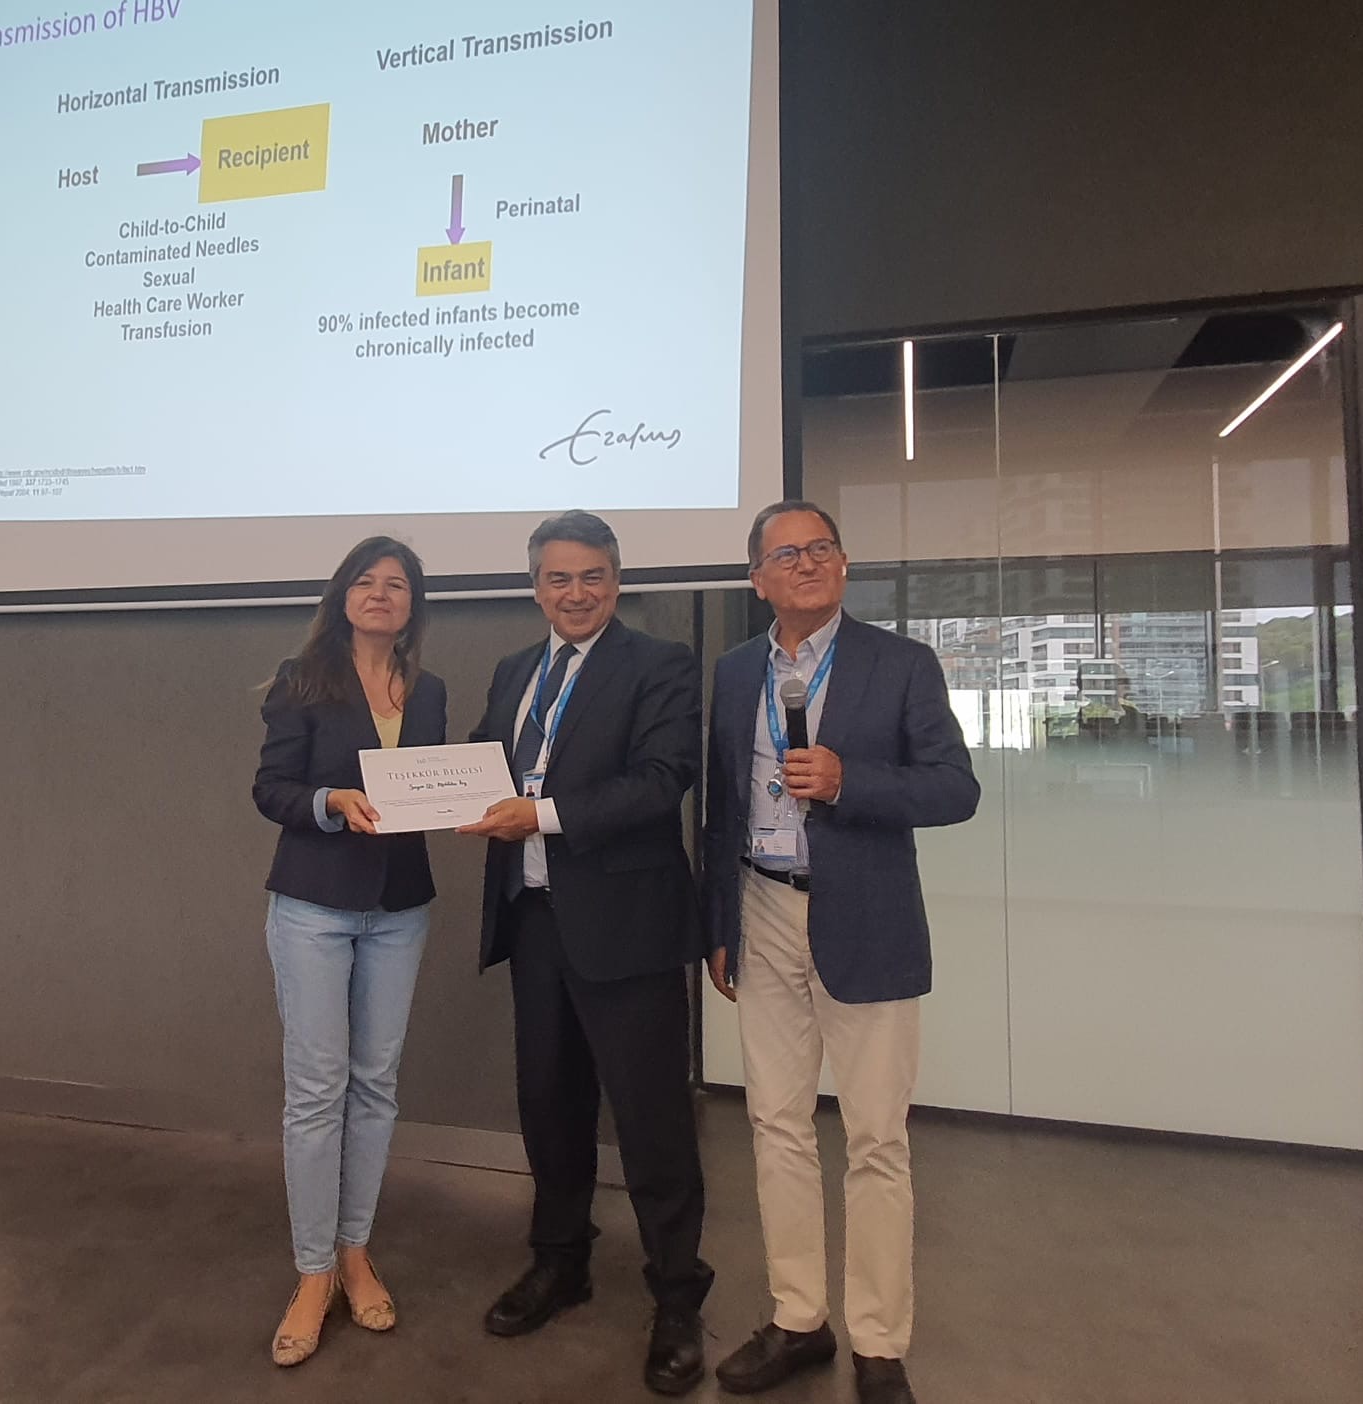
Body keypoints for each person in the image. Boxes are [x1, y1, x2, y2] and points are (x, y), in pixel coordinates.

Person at [701, 501, 979, 1402]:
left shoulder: (901, 664)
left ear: (845, 563)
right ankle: (798, 1319)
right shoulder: (735, 671)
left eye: (821, 548)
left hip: (865, 919)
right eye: (786, 555)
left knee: (875, 1139)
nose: (807, 563)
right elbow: (720, 807)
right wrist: (718, 924)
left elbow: (955, 788)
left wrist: (850, 781)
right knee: (776, 1124)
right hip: (760, 906)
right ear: (758, 580)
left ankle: (879, 1343)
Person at [456, 510, 713, 1397]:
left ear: (617, 581)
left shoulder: (660, 665)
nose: (577, 593)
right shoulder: (513, 671)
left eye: (593, 576)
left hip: (627, 924)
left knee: (651, 1121)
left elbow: (662, 780)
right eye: (559, 578)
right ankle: (560, 1261)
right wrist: (436, 792)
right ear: (535, 587)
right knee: (549, 1105)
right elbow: (486, 764)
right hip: (534, 919)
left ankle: (677, 1296)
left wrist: (542, 814)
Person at [251, 536, 447, 1367]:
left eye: (397, 584)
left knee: (375, 1086)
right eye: (365, 581)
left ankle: (355, 1252)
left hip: (400, 909)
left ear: (413, 605)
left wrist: (465, 799)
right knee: (315, 1090)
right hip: (313, 905)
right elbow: (270, 789)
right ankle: (312, 1271)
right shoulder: (302, 680)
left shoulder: (429, 689)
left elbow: (434, 783)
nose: (381, 593)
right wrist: (330, 800)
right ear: (342, 596)